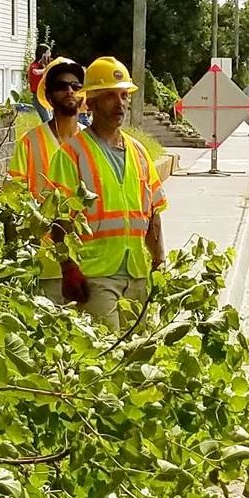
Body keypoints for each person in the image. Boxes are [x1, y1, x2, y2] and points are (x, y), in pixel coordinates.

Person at [64, 56, 168, 329]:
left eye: (123, 95)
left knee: (137, 357)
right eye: (110, 96)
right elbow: (59, 218)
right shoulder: (72, 153)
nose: (119, 103)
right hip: (95, 274)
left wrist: (159, 261)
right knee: (105, 355)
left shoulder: (139, 152)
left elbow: (153, 211)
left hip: (136, 272)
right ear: (92, 102)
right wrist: (68, 268)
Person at [6, 56, 86, 301]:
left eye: (76, 86)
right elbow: (11, 202)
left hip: (90, 263)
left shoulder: (92, 143)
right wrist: (12, 261)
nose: (70, 91)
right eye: (62, 86)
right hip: (46, 266)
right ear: (49, 97)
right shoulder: (31, 143)